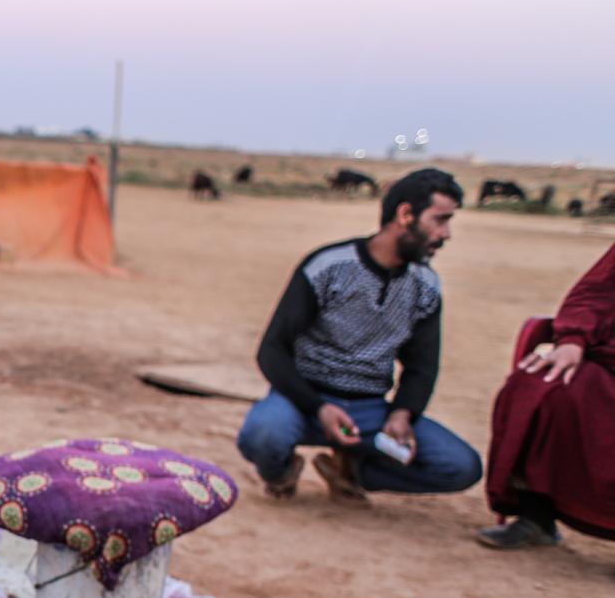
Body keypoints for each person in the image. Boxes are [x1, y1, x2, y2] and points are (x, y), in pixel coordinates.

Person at [236, 168, 483, 502]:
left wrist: (402, 414)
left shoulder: (425, 286)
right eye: (440, 220)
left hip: (369, 411)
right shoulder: (329, 266)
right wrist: (319, 406)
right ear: (405, 214)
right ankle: (280, 472)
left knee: (460, 466)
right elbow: (272, 350)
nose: (447, 233)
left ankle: (351, 471)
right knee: (264, 434)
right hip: (303, 401)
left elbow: (421, 366)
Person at [479, 244, 615, 548]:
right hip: (608, 366)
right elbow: (594, 292)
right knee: (538, 387)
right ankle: (536, 517)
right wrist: (573, 339)